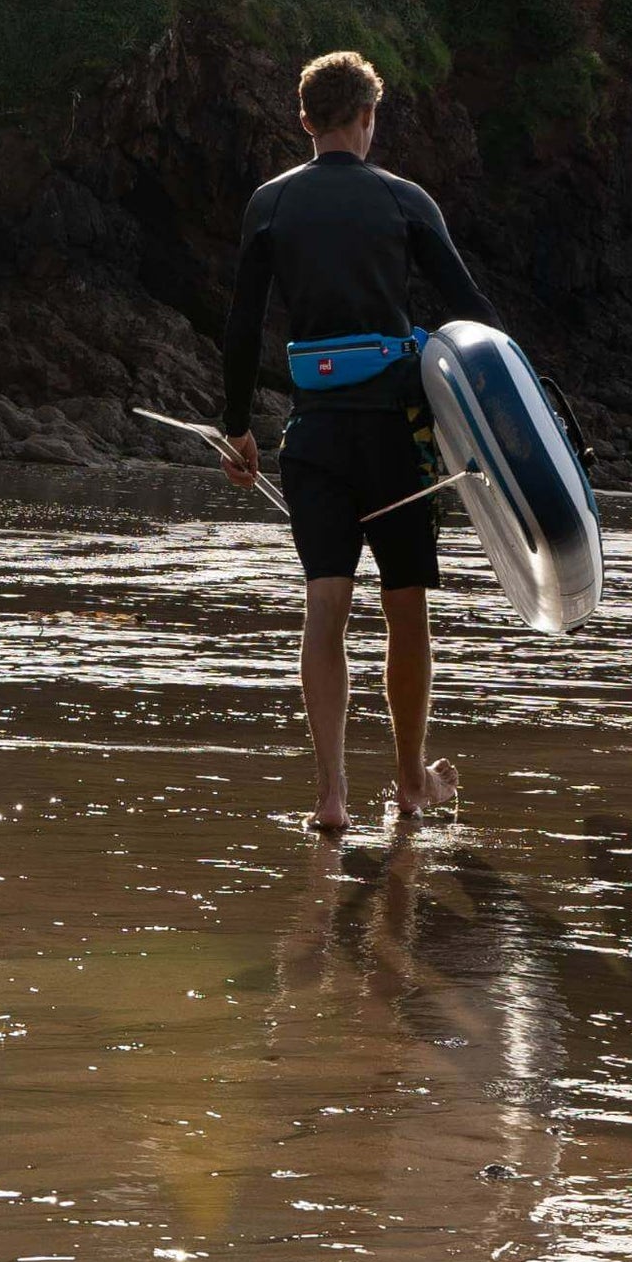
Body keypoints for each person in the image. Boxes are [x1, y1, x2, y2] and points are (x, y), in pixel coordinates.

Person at [216, 50, 501, 833]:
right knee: (405, 610)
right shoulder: (405, 201)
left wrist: (236, 426)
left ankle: (333, 797)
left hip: (313, 438)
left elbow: (243, 327)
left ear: (305, 120)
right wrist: (514, 421)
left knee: (325, 608)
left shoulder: (269, 203)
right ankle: (411, 783)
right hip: (395, 441)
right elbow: (470, 311)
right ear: (368, 118)